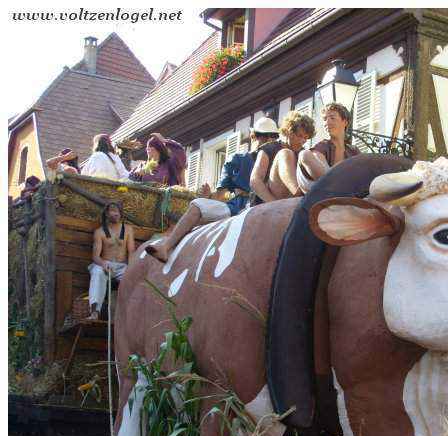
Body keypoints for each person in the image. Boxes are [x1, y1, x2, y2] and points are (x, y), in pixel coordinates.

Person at [144, 118, 279, 264]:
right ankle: (171, 247)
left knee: (197, 208)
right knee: (198, 213)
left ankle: (166, 244)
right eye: (265, 136)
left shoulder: (258, 158)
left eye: (272, 137)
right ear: (254, 136)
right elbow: (220, 196)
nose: (269, 140)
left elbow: (221, 195)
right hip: (248, 207)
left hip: (251, 208)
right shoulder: (252, 159)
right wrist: (209, 196)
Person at [249, 110, 315, 203]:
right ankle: (298, 194)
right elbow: (255, 180)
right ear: (288, 132)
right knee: (286, 153)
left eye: (305, 138)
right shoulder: (270, 148)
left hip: (290, 200)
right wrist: (273, 203)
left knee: (308, 156)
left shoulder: (303, 153)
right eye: (299, 136)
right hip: (267, 201)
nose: (302, 141)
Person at [296, 103, 360, 194]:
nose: (327, 122)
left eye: (332, 118)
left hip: (345, 189)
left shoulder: (353, 151)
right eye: (325, 119)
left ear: (345, 122)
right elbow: (321, 166)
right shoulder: (322, 146)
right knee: (304, 154)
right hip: (320, 188)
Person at [87, 202, 135, 320]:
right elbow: (95, 256)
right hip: (105, 264)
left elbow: (132, 251)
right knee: (97, 272)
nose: (115, 213)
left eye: (117, 211)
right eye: (112, 211)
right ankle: (94, 312)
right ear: (107, 214)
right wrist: (103, 264)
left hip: (123, 266)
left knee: (133, 278)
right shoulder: (100, 232)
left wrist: (131, 268)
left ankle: (130, 314)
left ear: (121, 213)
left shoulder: (128, 230)